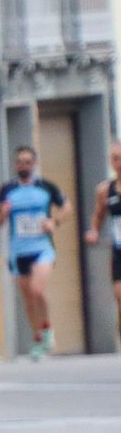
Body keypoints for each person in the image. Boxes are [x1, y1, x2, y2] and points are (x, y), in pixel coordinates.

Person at [0, 145, 68, 360]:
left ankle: (47, 328)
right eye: (19, 162)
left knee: (37, 290)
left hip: (42, 247)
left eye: (27, 162)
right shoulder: (7, 190)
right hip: (19, 251)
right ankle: (38, 338)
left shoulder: (46, 187)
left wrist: (54, 221)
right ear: (15, 165)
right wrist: (3, 213)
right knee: (28, 298)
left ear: (34, 164)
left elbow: (67, 207)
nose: (23, 166)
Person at [83, 142, 121, 337]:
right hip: (118, 250)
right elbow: (99, 215)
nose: (119, 163)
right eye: (115, 158)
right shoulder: (105, 190)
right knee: (119, 295)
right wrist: (94, 231)